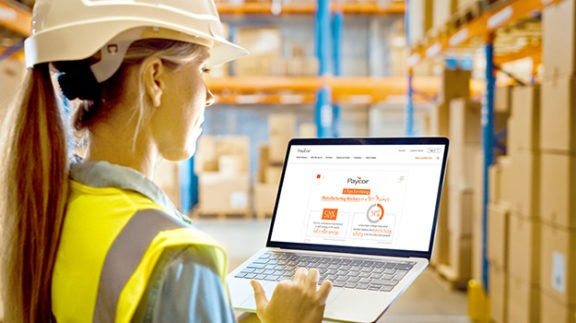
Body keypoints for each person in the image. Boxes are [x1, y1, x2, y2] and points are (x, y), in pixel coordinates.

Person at [0, 0, 332, 322]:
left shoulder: (49, 208)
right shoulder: (179, 259)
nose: (210, 95)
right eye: (202, 68)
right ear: (155, 79)